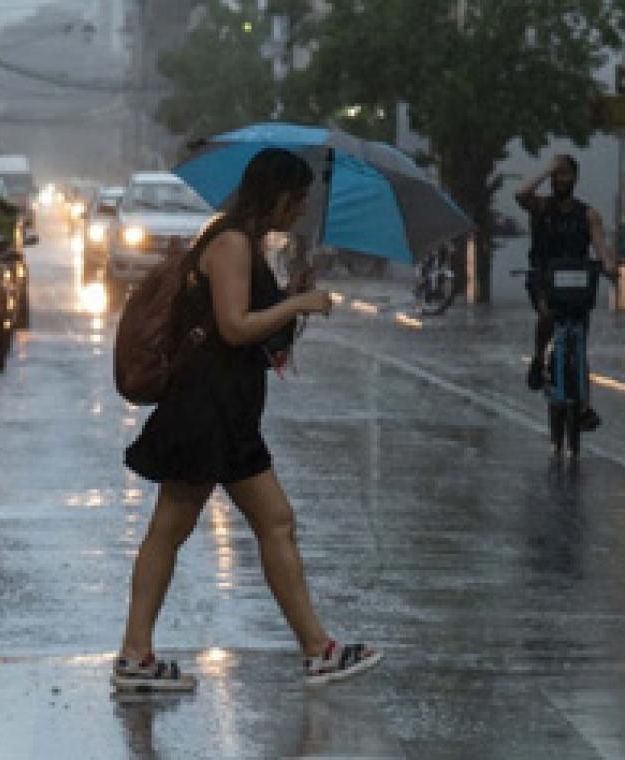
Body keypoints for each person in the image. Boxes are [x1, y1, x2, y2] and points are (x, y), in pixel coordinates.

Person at [113, 148, 383, 692]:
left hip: (228, 413)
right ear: (277, 194)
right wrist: (297, 305)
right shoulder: (231, 242)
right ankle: (135, 656)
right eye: (298, 198)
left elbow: (258, 335)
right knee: (171, 530)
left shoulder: (246, 245)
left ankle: (317, 649)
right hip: (206, 411)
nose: (301, 210)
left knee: (272, 521)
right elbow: (235, 328)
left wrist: (289, 295)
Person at [514, 153, 616, 432]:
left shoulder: (588, 214)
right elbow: (521, 194)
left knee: (579, 342)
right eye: (557, 175)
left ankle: (583, 407)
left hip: (577, 284)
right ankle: (538, 358)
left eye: (566, 175)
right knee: (546, 314)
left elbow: (600, 246)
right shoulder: (540, 207)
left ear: (575, 179)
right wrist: (547, 169)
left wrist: (608, 265)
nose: (561, 180)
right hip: (545, 280)